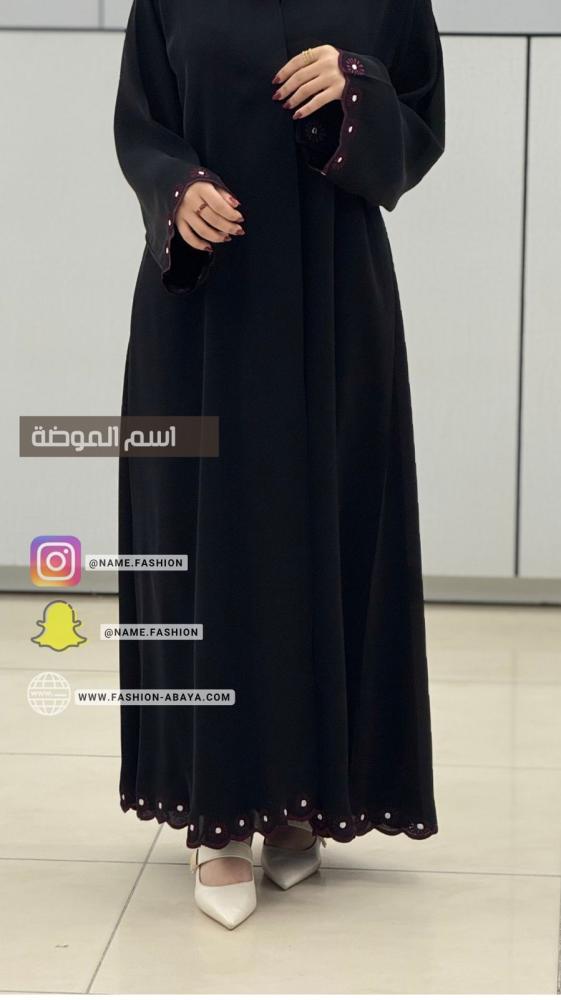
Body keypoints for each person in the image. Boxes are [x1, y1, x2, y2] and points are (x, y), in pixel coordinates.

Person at [114, 0, 445, 930]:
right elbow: (141, 125)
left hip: (334, 299)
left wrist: (356, 86)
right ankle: (215, 816)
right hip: (204, 310)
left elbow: (418, 132)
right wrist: (177, 189)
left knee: (323, 529)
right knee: (201, 540)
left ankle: (302, 798)